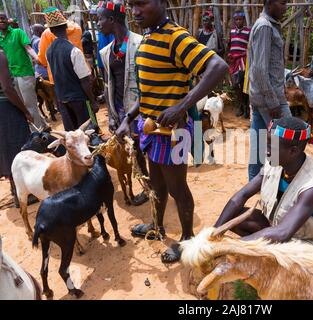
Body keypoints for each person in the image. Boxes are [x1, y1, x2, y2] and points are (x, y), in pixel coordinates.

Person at [116, 0, 228, 263]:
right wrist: (129, 118)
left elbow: (218, 67)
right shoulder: (148, 39)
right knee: (156, 185)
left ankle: (187, 238)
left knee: (177, 189)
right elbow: (146, 93)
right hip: (151, 130)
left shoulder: (176, 37)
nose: (135, 12)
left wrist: (182, 105)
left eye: (142, 4)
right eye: (132, 5)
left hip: (172, 133)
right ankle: (157, 227)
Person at [214, 117, 313, 251]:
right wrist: (212, 234)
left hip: (309, 246)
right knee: (234, 216)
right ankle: (261, 255)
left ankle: (266, 260)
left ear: (293, 151)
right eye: (267, 144)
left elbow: (283, 233)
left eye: (271, 146)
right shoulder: (275, 162)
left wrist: (229, 247)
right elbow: (242, 195)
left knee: (271, 248)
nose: (266, 150)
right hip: (279, 231)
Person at [97, 0, 149, 206]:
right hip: (120, 110)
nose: (98, 24)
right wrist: (112, 115)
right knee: (133, 151)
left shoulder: (139, 44)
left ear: (112, 19)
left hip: (141, 109)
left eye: (100, 19)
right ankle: (148, 187)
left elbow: (147, 83)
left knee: (146, 150)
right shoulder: (106, 51)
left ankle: (154, 187)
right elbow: (109, 86)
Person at [245, 0, 291, 181]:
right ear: (269, 3)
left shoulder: (266, 25)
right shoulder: (264, 27)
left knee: (258, 146)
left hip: (261, 97)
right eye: (282, 3)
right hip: (269, 99)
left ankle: (253, 187)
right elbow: (259, 69)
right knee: (288, 144)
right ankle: (279, 188)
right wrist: (273, 101)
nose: (285, 7)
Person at [44, 8, 98, 131]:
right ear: (66, 26)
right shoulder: (74, 51)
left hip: (62, 99)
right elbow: (84, 81)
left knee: (72, 133)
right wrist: (93, 101)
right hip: (79, 99)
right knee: (88, 132)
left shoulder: (49, 51)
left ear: (51, 30)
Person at [0, 46, 36, 207]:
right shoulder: (0, 56)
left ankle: (15, 191)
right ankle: (22, 195)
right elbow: (7, 88)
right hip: (5, 109)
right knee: (17, 147)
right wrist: (24, 110)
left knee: (4, 148)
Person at [0, 12, 48, 129]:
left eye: (3, 18)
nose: (1, 21)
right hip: (11, 76)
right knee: (22, 105)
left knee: (30, 105)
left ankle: (37, 134)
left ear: (8, 20)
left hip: (24, 73)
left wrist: (37, 58)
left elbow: (28, 48)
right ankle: (43, 126)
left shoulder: (18, 33)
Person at [37, 11, 83, 84]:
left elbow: (42, 60)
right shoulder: (77, 28)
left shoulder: (47, 34)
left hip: (60, 78)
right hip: (81, 71)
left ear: (52, 29)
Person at [227, 9, 251, 118]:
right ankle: (241, 105)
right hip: (233, 61)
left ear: (243, 20)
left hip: (243, 61)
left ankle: (246, 107)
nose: (238, 21)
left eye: (240, 19)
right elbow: (230, 45)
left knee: (242, 84)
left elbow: (250, 46)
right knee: (235, 85)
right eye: (236, 19)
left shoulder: (248, 31)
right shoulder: (231, 31)